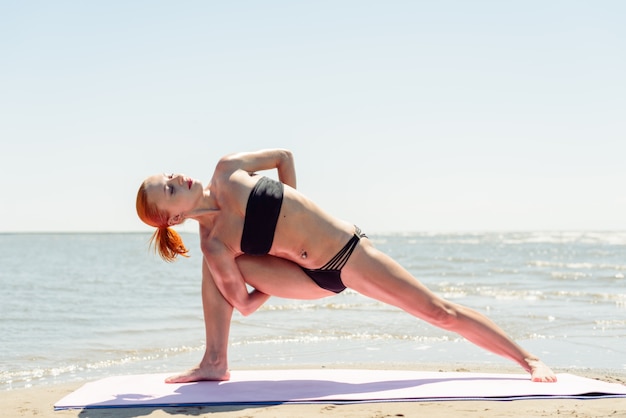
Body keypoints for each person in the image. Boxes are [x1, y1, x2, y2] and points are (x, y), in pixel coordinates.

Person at [136, 148, 557, 383]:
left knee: (436, 312)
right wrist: (276, 256)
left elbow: (283, 155)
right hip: (306, 278)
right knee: (212, 263)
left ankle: (528, 360)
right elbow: (244, 305)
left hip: (347, 254)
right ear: (173, 218)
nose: (179, 178)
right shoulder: (215, 244)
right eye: (170, 188)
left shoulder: (227, 170)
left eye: (171, 174)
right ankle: (215, 362)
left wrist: (289, 203)